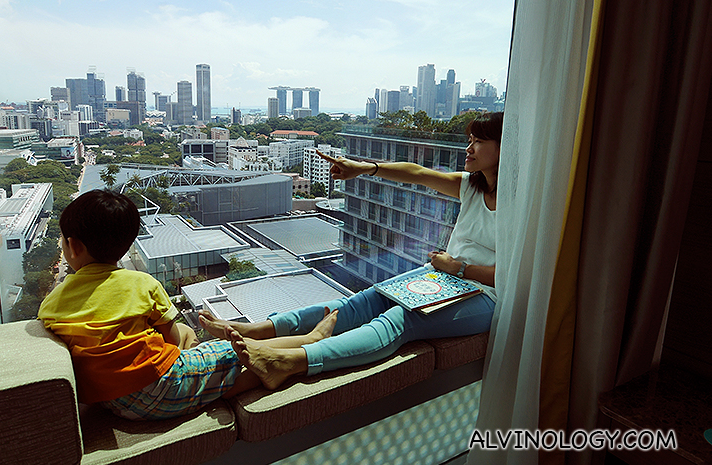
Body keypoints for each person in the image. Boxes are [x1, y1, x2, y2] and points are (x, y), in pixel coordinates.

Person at [199, 111, 503, 390]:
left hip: (484, 295)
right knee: (362, 301)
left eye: (479, 142)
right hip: (444, 278)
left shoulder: (522, 208)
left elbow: (516, 275)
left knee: (401, 319)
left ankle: (289, 363)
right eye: (469, 141)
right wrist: (364, 168)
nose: (468, 149)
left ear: (505, 147)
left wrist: (459, 268)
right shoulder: (471, 187)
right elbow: (418, 173)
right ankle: (258, 330)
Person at [38, 190, 338, 420]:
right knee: (227, 352)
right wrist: (184, 340)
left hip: (110, 400)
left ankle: (282, 353)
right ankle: (309, 342)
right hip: (154, 391)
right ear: (127, 244)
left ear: (73, 247)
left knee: (203, 349)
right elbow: (171, 341)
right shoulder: (141, 284)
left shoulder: (54, 301)